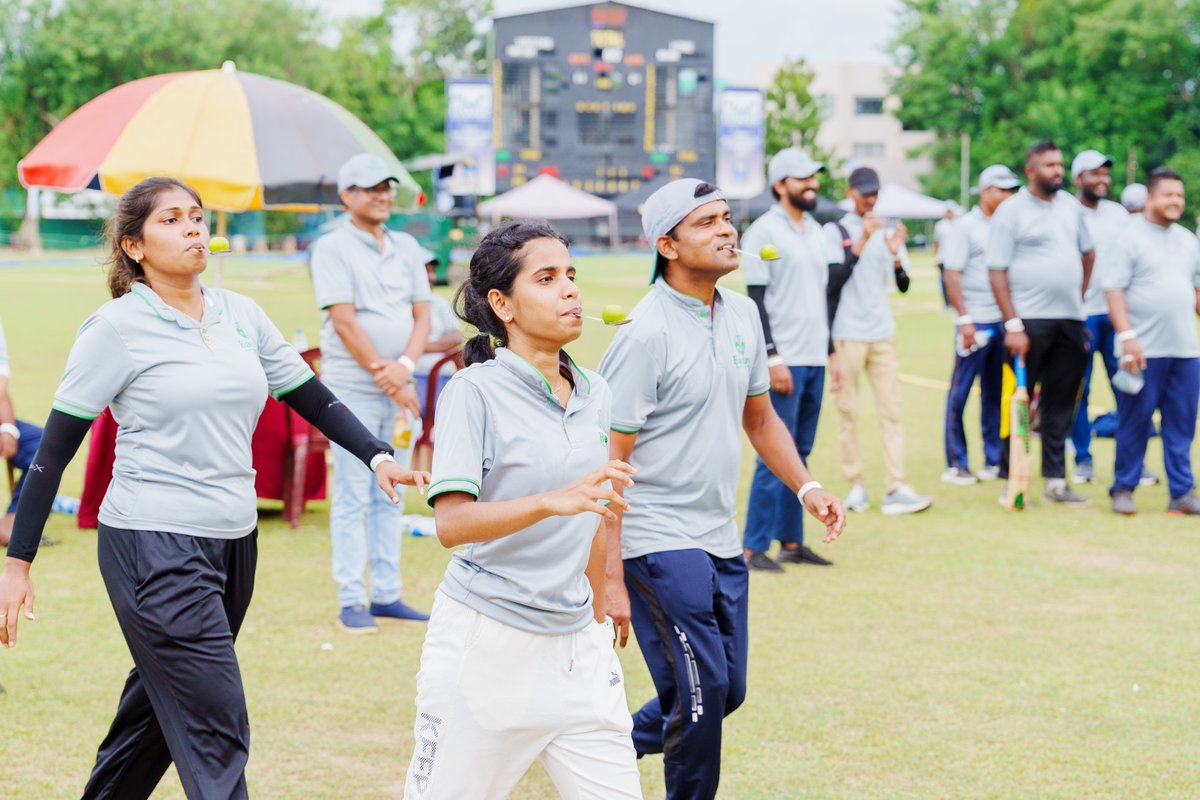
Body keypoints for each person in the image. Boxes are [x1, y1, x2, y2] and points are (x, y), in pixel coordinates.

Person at [0, 177, 428, 799]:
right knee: (217, 723)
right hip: (152, 544)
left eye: (197, 217)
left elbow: (306, 392)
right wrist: (18, 561)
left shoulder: (241, 315)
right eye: (171, 220)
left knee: (152, 715)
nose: (192, 228)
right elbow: (55, 453)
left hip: (232, 540)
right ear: (135, 246)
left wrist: (376, 455)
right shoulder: (115, 328)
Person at [599, 178, 845, 800]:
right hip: (656, 539)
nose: (727, 230)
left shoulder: (741, 313)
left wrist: (807, 486)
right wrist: (606, 572)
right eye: (706, 222)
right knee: (703, 694)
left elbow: (760, 419)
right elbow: (609, 461)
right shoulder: (642, 333)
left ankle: (603, 748)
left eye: (727, 217)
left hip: (718, 537)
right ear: (668, 244)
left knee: (724, 690)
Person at [402, 221, 642, 799]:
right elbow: (452, 525)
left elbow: (594, 508)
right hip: (486, 647)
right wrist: (548, 503)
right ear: (501, 304)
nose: (570, 291)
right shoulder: (473, 391)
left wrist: (605, 596)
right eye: (547, 278)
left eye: (571, 276)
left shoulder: (596, 393)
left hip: (578, 649)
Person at [311, 153, 433, 632]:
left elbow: (422, 314)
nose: (382, 195)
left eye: (387, 186)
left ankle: (386, 593)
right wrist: (388, 374)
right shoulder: (333, 247)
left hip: (399, 386)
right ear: (347, 197)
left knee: (394, 489)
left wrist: (403, 369)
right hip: (352, 389)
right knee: (352, 494)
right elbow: (344, 320)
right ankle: (351, 598)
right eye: (369, 188)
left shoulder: (405, 245)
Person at [740, 148, 844, 571]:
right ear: (781, 184)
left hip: (815, 356)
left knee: (800, 452)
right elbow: (757, 302)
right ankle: (752, 547)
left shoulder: (817, 231)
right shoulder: (763, 232)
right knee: (774, 454)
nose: (812, 184)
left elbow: (824, 298)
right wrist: (772, 356)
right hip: (782, 359)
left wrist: (831, 351)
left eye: (814, 177)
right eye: (802, 179)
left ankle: (790, 542)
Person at [987, 140, 1094, 506]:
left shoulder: (1071, 208)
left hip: (1069, 320)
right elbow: (997, 270)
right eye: (1049, 165)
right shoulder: (1011, 211)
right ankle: (1011, 478)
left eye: (1060, 164)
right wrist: (1012, 323)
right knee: (1017, 405)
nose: (1058, 171)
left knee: (1061, 403)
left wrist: (1076, 297)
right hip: (1028, 323)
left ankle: (1054, 481)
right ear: (1031, 170)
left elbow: (1088, 253)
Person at [829, 166, 933, 515]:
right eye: (864, 194)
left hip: (882, 333)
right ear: (851, 193)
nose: (871, 200)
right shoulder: (837, 230)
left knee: (892, 411)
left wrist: (893, 254)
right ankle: (855, 485)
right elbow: (833, 284)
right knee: (848, 413)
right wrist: (862, 242)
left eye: (875, 193)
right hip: (847, 333)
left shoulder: (888, 231)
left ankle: (896, 486)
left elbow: (903, 286)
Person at [1100, 169, 1200, 515]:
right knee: (1135, 422)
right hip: (1141, 351)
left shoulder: (1188, 240)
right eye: (1168, 195)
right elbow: (1112, 290)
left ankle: (1182, 492)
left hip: (1185, 350)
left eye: (1180, 196)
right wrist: (1127, 337)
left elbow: (1196, 291)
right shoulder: (1127, 237)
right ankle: (1123, 488)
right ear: (1149, 199)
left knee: (1182, 424)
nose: (1175, 202)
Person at [1067, 150, 1157, 486]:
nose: (1102, 180)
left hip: (1117, 316)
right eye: (1094, 174)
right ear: (1078, 179)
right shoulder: (1066, 212)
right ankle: (1083, 458)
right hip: (1081, 316)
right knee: (1080, 389)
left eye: (1106, 174)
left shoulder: (1119, 214)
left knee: (1129, 389)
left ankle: (1135, 462)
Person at [941, 165, 1020, 484]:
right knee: (960, 392)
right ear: (986, 190)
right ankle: (957, 462)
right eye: (1002, 190)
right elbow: (952, 274)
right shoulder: (965, 226)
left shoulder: (1009, 225)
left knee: (995, 393)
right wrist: (964, 319)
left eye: (1012, 191)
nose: (1008, 196)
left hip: (1004, 321)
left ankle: (993, 459)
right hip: (975, 321)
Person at [412, 247, 463, 410]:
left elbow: (455, 338)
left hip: (441, 376)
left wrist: (417, 347)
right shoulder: (396, 305)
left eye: (432, 271)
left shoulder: (438, 303)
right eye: (425, 271)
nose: (431, 277)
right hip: (411, 377)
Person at [933, 202, 959, 306]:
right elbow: (937, 242)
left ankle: (956, 301)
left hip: (956, 257)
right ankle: (947, 303)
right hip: (943, 257)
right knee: (944, 281)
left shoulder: (959, 223)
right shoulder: (940, 225)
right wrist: (936, 257)